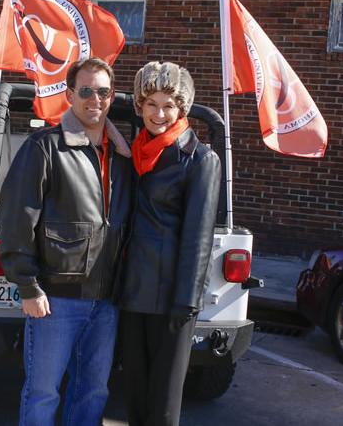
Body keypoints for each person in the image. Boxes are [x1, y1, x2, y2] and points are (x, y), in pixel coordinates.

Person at [0, 57, 132, 426]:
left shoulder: (122, 157)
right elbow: (16, 217)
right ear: (70, 94)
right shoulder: (44, 147)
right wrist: (27, 285)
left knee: (93, 391)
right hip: (55, 300)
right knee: (43, 393)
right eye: (85, 90)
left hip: (105, 302)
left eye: (102, 91)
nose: (95, 99)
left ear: (112, 95)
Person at [118, 61, 221, 426]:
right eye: (151, 104)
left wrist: (187, 302)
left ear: (183, 108)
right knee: (134, 395)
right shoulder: (133, 153)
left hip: (171, 300)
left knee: (162, 407)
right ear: (139, 106)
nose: (159, 114)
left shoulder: (200, 159)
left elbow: (199, 237)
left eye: (169, 105)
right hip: (132, 293)